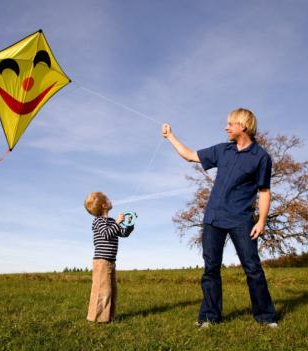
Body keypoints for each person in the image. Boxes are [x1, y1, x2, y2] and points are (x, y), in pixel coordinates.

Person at [162, 108, 278, 328]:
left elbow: (264, 191)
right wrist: (170, 137)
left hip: (241, 220)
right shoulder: (222, 150)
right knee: (211, 268)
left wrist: (261, 221)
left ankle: (265, 317)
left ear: (243, 126)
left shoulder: (261, 157)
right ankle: (209, 317)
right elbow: (189, 156)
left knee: (252, 267)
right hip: (213, 217)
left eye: (230, 124)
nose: (226, 127)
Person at [84, 192, 134, 323]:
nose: (110, 199)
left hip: (111, 261)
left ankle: (109, 317)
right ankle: (97, 318)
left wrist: (129, 224)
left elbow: (123, 233)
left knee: (111, 291)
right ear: (104, 205)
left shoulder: (112, 221)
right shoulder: (98, 221)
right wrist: (117, 222)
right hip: (101, 262)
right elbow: (106, 234)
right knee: (102, 290)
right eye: (107, 198)